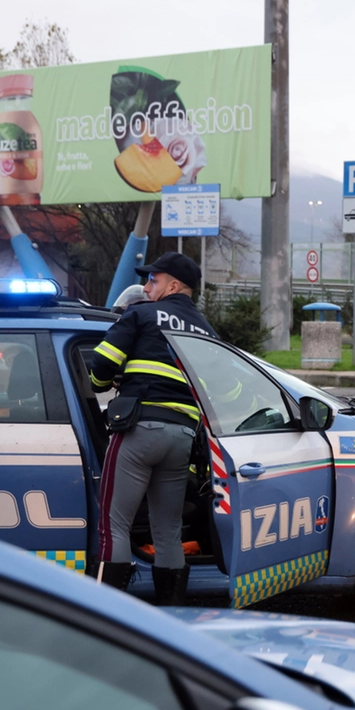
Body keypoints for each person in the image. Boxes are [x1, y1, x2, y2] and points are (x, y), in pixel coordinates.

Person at [86, 251, 217, 604]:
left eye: (152, 280)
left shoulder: (140, 315)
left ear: (173, 285)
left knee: (114, 525)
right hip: (182, 438)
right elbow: (223, 388)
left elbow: (101, 361)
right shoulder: (206, 329)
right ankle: (170, 614)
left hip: (138, 431)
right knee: (168, 532)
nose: (146, 287)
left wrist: (103, 383)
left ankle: (105, 613)